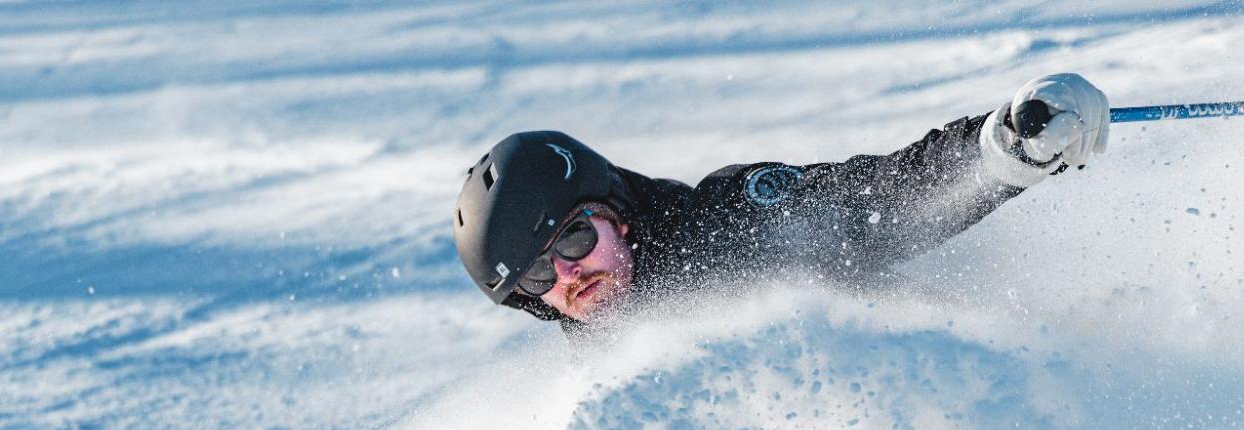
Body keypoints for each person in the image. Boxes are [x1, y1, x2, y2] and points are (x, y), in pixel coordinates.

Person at [453, 73, 1111, 332]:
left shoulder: (728, 226)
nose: (568, 276)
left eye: (572, 242)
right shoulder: (603, 354)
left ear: (613, 213)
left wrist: (997, 152)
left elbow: (875, 204)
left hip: (981, 375)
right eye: (540, 275)